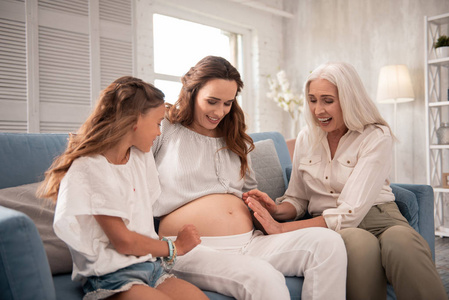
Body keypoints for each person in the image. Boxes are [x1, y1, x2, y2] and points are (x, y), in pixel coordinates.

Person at [243, 61, 448, 300]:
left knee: (404, 244)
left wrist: (281, 229)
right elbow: (298, 197)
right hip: (332, 225)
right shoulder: (306, 137)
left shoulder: (376, 135)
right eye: (312, 99)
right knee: (359, 245)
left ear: (349, 100)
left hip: (380, 216)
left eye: (327, 100)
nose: (318, 110)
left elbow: (351, 212)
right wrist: (276, 210)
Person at [152, 55, 347, 300]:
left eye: (227, 103)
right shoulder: (165, 129)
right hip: (190, 248)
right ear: (191, 92)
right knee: (264, 277)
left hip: (250, 241)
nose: (219, 111)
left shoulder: (236, 139)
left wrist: (263, 207)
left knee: (328, 244)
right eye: (212, 101)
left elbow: (248, 192)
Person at [37, 76, 208, 300]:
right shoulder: (90, 168)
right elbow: (124, 241)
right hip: (113, 275)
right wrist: (174, 247)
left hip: (152, 268)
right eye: (157, 123)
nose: (159, 132)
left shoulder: (140, 156)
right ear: (134, 120)